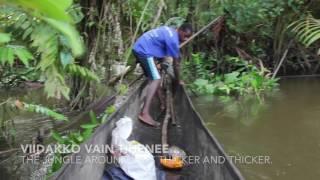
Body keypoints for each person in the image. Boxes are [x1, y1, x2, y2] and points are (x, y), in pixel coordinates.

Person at [132, 23, 193, 127]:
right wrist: (178, 81)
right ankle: (144, 113)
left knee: (154, 78)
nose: (186, 39)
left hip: (139, 47)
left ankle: (162, 102)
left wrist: (161, 62)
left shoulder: (169, 30)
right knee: (156, 79)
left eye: (188, 37)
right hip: (144, 52)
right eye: (185, 36)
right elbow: (176, 64)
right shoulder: (173, 40)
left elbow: (159, 45)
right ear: (180, 30)